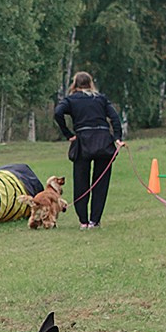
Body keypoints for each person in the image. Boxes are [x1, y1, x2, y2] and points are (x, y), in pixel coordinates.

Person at [53, 71, 127, 228]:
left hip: (82, 142)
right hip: (103, 141)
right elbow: (114, 117)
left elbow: (58, 113)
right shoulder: (100, 99)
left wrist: (68, 134)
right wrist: (117, 138)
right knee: (100, 183)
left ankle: (83, 221)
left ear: (75, 84)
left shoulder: (71, 99)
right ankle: (95, 220)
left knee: (81, 182)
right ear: (90, 83)